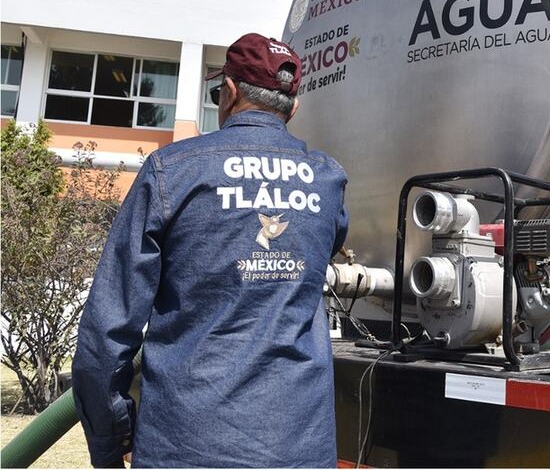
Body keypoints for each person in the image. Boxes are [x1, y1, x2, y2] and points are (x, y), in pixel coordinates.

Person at [72, 33, 349, 468]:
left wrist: (111, 440)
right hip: (298, 449)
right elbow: (328, 244)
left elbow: (108, 329)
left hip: (185, 447)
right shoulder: (328, 181)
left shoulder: (172, 172)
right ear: (292, 108)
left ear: (231, 93)